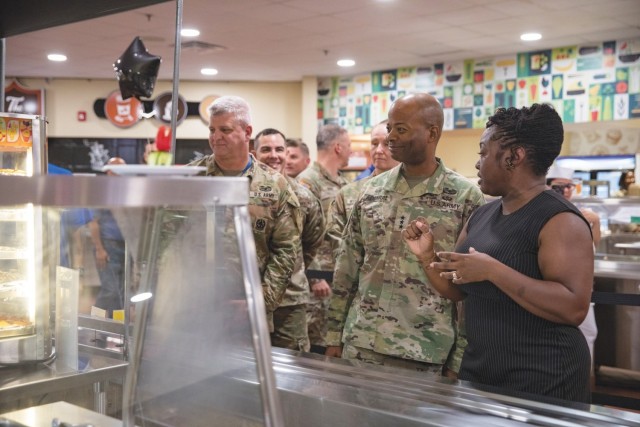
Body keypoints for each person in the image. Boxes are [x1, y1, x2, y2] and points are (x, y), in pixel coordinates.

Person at [403, 104, 593, 403]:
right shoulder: (484, 214)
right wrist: (428, 257)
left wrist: (493, 270)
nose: (478, 163)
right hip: (483, 367)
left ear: (513, 157)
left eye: (483, 152)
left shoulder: (560, 219)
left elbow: (573, 307)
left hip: (543, 375)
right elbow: (458, 290)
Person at [326, 93, 484, 377]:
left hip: (426, 351)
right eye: (389, 129)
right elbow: (347, 265)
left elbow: (471, 290)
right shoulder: (371, 190)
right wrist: (333, 333)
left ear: (432, 133)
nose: (390, 138)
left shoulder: (465, 197)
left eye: (401, 129)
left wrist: (459, 358)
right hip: (363, 343)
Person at [188, 96, 302, 332]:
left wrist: (260, 301)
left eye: (225, 130)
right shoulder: (191, 179)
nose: (216, 137)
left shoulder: (275, 185)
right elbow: (167, 239)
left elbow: (286, 250)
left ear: (247, 131)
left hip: (248, 312)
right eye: (212, 129)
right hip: (194, 307)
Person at [253, 128, 325, 351]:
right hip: (253, 297)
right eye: (266, 149)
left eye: (279, 149)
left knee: (294, 368)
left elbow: (313, 241)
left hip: (290, 299)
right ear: (254, 153)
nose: (273, 155)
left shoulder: (304, 197)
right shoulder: (246, 193)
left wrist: (293, 266)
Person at [297, 124, 351, 354]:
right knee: (315, 348)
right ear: (338, 147)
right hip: (317, 283)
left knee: (333, 345)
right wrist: (314, 276)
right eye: (348, 146)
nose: (351, 151)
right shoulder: (308, 182)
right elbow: (299, 234)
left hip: (337, 278)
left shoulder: (344, 184)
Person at [546, 164, 599, 373]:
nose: (566, 191)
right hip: (555, 292)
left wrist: (597, 225)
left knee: (588, 337)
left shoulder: (582, 213)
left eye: (569, 187)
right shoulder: (546, 212)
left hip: (582, 290)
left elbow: (593, 249)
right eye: (560, 187)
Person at [326, 120, 399, 257]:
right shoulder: (348, 194)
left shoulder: (412, 193)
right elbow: (336, 241)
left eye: (386, 144)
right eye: (374, 143)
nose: (378, 150)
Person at [89, 157, 126, 316]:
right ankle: (94, 322)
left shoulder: (126, 192)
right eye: (119, 169)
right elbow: (93, 223)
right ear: (110, 171)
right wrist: (99, 249)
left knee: (122, 293)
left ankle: (118, 330)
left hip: (125, 246)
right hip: (108, 247)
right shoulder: (102, 192)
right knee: (110, 290)